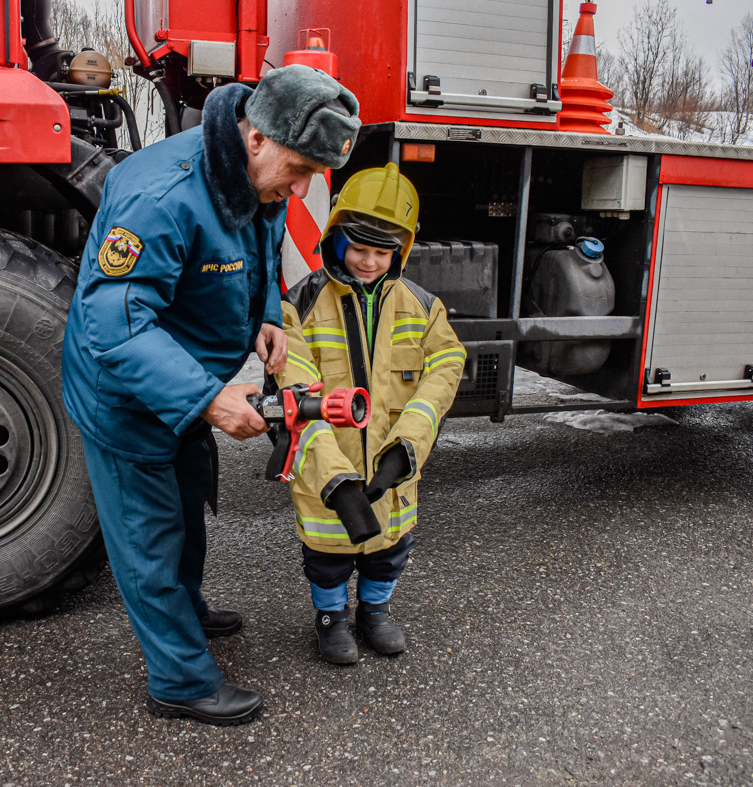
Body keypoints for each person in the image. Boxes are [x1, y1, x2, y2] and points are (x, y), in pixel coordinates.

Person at [61, 65, 361, 725]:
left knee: (187, 509)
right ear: (254, 137)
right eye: (299, 167)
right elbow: (116, 328)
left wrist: (268, 317)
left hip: (185, 387)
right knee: (150, 536)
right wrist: (211, 399)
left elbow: (259, 250)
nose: (303, 186)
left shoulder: (254, 179)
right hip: (128, 396)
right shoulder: (160, 196)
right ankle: (179, 680)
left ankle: (187, 613)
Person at [272, 163, 466, 664]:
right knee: (327, 556)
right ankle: (331, 618)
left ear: (399, 251)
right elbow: (296, 395)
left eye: (383, 251)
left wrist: (407, 448)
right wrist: (334, 481)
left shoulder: (423, 306)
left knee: (389, 550)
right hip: (325, 469)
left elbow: (445, 367)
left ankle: (374, 612)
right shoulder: (300, 306)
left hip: (391, 468)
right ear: (335, 238)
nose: (369, 261)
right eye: (359, 248)